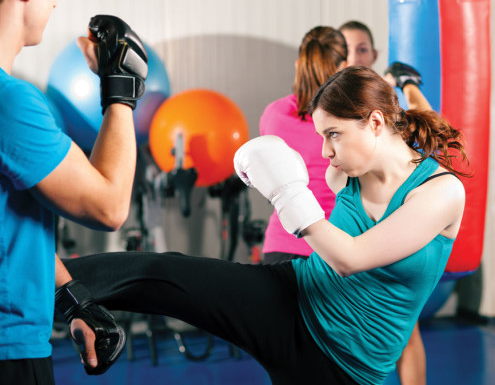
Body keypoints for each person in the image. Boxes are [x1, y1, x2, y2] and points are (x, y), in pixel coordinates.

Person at [63, 65, 468, 385]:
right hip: (291, 296)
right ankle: (48, 281)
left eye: (333, 135)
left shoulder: (441, 192)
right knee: (164, 273)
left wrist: (287, 195)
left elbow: (352, 258)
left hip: (346, 368)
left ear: (376, 122)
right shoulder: (343, 171)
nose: (325, 150)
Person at [0, 0, 148, 383]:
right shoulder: (10, 103)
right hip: (8, 352)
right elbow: (109, 208)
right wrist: (120, 89)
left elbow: (8, 225)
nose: (54, 1)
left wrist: (71, 299)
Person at [340, 19, 434, 385]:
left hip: (388, 213)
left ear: (374, 54)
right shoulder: (331, 100)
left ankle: (407, 79)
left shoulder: (383, 103)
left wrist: (406, 85)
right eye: (346, 50)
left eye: (362, 49)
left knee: (405, 330)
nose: (353, 57)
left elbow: (427, 129)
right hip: (347, 216)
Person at [259, 26, 345, 264]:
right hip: (331, 248)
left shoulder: (273, 114)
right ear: (343, 68)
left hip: (278, 246)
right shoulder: (347, 121)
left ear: (299, 65)